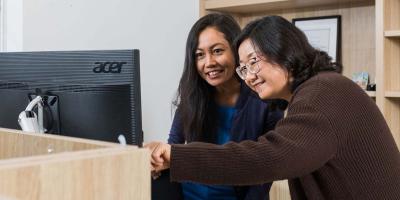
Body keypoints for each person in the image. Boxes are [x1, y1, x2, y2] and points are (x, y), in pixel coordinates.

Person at [146, 15, 400, 200]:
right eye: (243, 68)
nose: (249, 76)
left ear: (283, 50)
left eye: (254, 61)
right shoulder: (316, 92)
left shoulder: (325, 92)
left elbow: (268, 159)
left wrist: (176, 155)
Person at [153, 13, 284, 200]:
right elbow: (174, 145)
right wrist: (155, 159)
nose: (209, 63)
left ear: (236, 51)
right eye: (200, 55)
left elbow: (266, 169)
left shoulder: (265, 100)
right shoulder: (192, 95)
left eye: (217, 51)